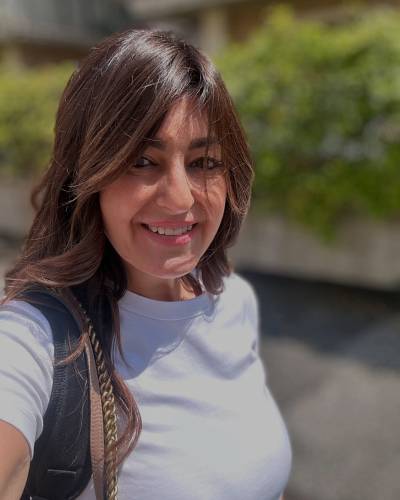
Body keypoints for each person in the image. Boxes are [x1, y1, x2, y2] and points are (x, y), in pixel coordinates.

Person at [0, 29, 292, 499]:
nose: (180, 199)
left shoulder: (233, 300)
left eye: (204, 162)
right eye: (141, 161)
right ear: (86, 175)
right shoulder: (35, 340)